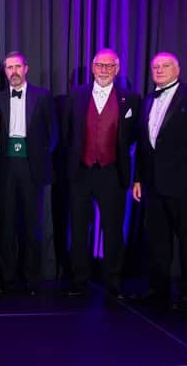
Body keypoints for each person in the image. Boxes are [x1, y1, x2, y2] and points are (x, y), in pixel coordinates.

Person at [132, 52, 187, 313]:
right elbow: (145, 146)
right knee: (158, 240)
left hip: (184, 183)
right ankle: (159, 289)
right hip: (153, 184)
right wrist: (138, 179)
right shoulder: (147, 99)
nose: (159, 70)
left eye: (165, 65)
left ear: (177, 69)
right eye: (155, 66)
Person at [63, 48, 140, 297]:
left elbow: (134, 136)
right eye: (99, 65)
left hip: (111, 172)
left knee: (113, 229)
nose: (104, 70)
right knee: (78, 227)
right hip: (81, 171)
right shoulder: (76, 95)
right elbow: (68, 133)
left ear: (117, 69)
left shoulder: (131, 98)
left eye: (109, 66)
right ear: (92, 68)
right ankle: (79, 279)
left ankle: (113, 280)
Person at [0, 52, 58, 294]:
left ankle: (31, 279)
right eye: (9, 67)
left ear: (26, 68)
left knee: (32, 225)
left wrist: (39, 156)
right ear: (5, 71)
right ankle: (7, 279)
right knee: (6, 224)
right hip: (5, 167)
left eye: (17, 66)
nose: (14, 71)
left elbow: (53, 133)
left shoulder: (43, 96)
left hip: (32, 167)